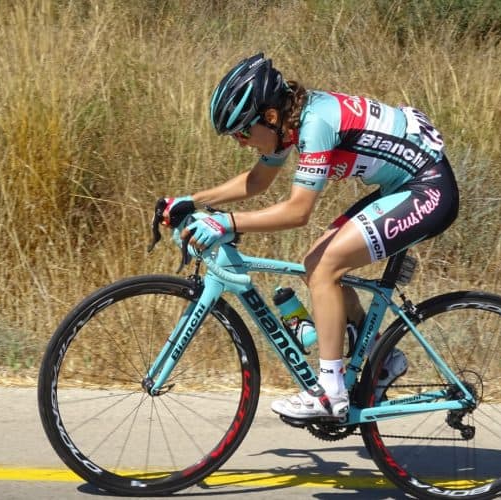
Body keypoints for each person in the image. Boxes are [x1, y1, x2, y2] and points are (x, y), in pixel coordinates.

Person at [160, 53, 459, 421]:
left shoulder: (316, 123)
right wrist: (192, 200)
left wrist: (226, 224)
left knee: (324, 267)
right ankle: (383, 358)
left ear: (270, 116)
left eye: (242, 132)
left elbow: (298, 211)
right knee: (314, 265)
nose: (240, 142)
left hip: (428, 190)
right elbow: (257, 181)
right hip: (402, 185)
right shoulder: (291, 122)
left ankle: (330, 393)